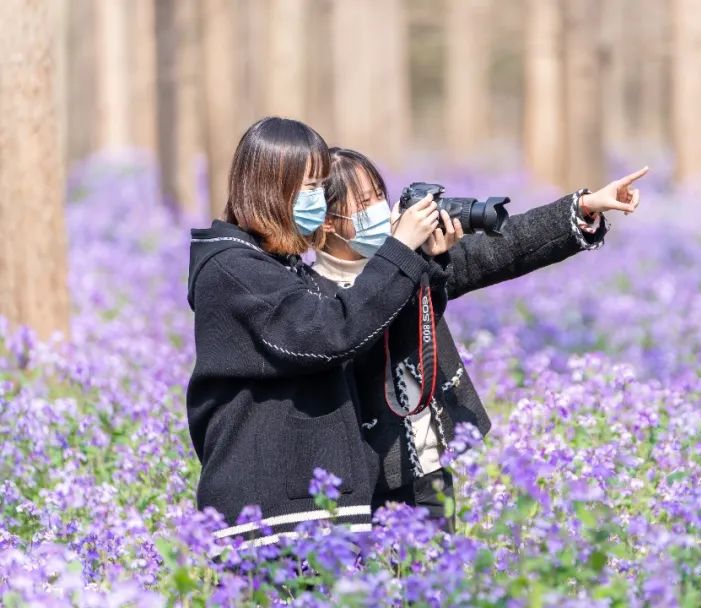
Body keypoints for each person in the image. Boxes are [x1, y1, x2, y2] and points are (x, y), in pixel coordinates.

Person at [310, 146, 647, 532]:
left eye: (378, 197)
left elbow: (506, 247)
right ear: (328, 221)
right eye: (363, 204)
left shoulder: (410, 264)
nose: (378, 211)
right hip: (364, 487)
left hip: (429, 471)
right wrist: (399, 254)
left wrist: (584, 206)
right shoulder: (313, 297)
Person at [184, 118, 445, 548]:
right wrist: (398, 251)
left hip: (307, 518)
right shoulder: (234, 270)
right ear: (271, 186)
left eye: (321, 187)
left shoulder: (274, 267)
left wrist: (427, 266)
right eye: (309, 187)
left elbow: (351, 328)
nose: (319, 200)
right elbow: (331, 332)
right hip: (271, 528)